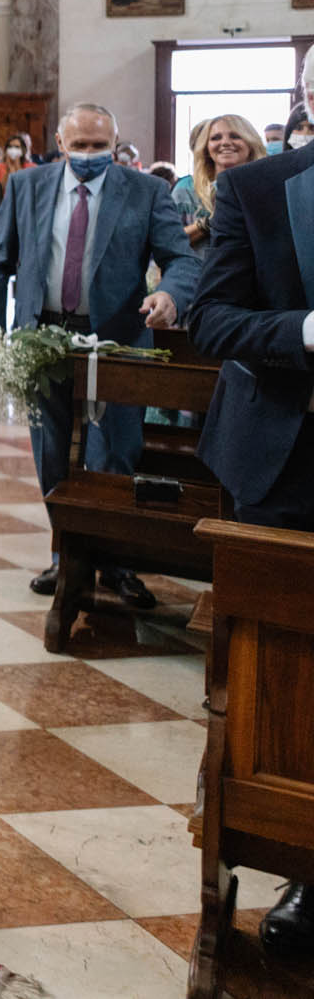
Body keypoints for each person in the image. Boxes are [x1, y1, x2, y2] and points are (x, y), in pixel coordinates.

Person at [187, 50, 314, 957]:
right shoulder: (263, 189)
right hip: (292, 461)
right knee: (288, 678)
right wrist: (306, 329)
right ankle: (303, 863)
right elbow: (215, 318)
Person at [0, 103, 200, 608]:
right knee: (50, 449)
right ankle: (66, 555)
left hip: (118, 336)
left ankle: (116, 561)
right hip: (43, 335)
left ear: (116, 144)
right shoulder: (27, 186)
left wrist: (171, 296)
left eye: (101, 146)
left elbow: (180, 260)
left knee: (116, 450)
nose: (91, 154)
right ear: (59, 140)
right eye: (81, 145)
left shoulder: (146, 192)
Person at [172, 113, 263, 250]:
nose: (225, 142)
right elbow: (169, 241)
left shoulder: (265, 186)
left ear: (251, 143)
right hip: (198, 269)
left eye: (235, 136)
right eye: (215, 138)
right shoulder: (186, 189)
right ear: (206, 148)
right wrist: (208, 223)